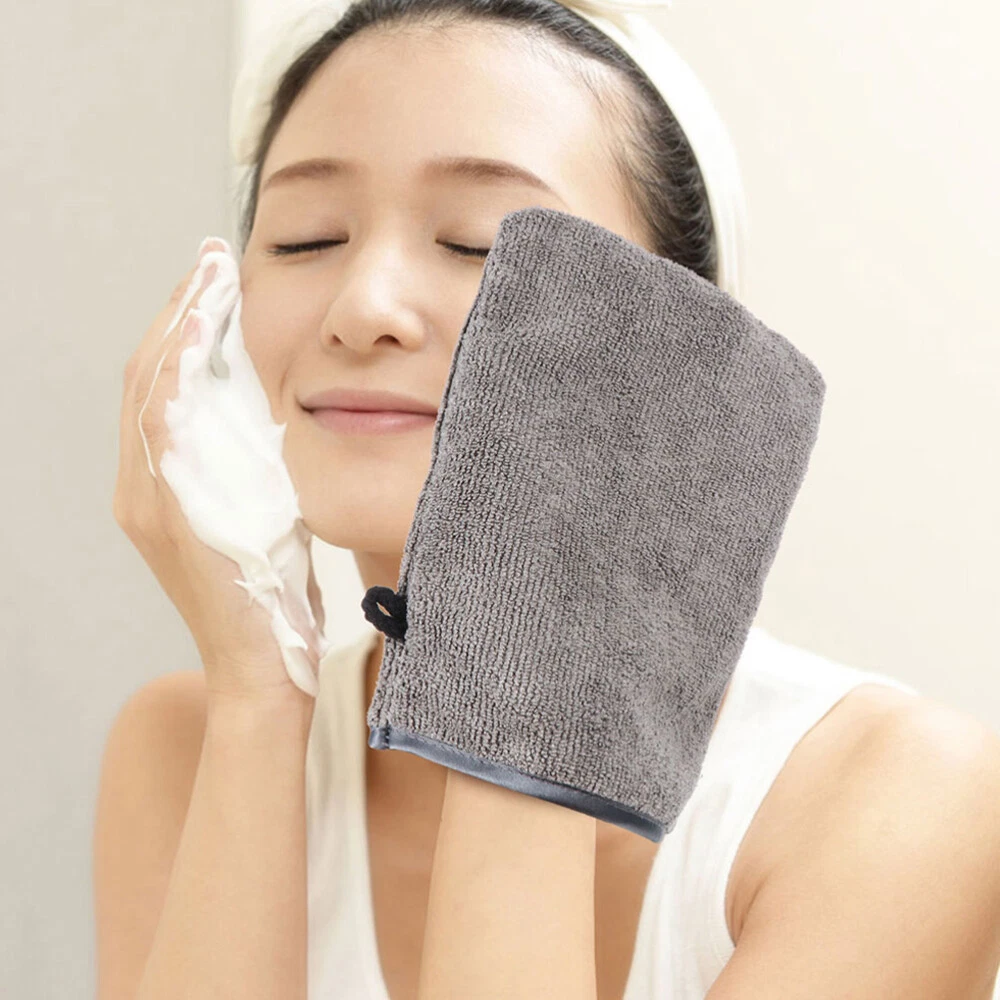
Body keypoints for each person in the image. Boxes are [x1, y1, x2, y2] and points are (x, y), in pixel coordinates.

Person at [94, 1, 1000, 998]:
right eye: (308, 239)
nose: (362, 308)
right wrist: (259, 696)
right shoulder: (188, 741)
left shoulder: (900, 795)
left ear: (690, 344)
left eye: (480, 243)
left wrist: (529, 678)